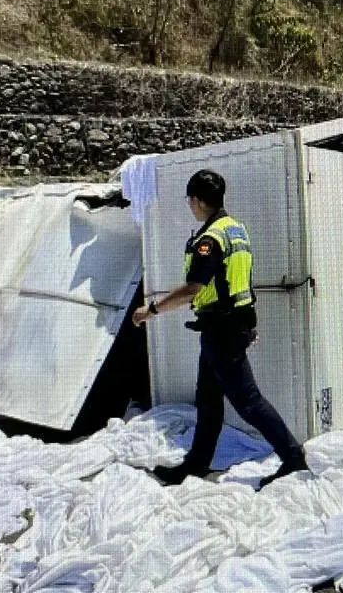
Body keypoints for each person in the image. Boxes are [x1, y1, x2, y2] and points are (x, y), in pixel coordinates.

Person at [132, 169, 309, 489]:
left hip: (223, 330)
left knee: (249, 402)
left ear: (198, 201)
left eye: (190, 200)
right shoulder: (236, 229)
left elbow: (193, 289)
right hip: (228, 325)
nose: (190, 205)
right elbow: (238, 280)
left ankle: (293, 458)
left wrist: (151, 311)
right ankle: (195, 466)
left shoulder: (210, 239)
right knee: (209, 401)